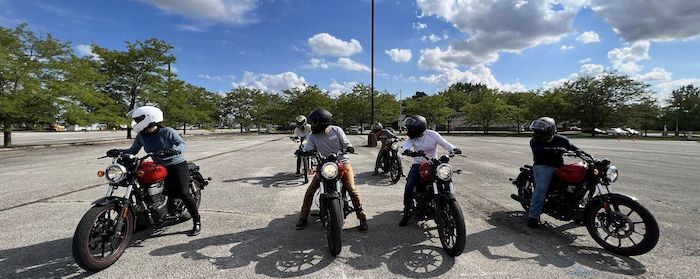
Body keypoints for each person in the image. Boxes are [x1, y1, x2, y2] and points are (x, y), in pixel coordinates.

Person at [107, 106, 202, 236]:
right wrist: (118, 151)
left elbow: (182, 144)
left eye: (138, 119)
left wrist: (175, 150)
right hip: (158, 166)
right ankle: (143, 219)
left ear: (149, 118)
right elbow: (133, 151)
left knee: (183, 192)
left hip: (176, 164)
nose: (136, 122)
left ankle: (196, 220)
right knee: (142, 189)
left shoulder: (167, 131)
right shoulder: (141, 136)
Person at [294, 108, 368, 231]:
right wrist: (303, 151)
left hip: (342, 163)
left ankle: (362, 217)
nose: (312, 126)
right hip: (323, 165)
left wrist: (349, 147)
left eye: (314, 123)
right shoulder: (313, 136)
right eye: (311, 123)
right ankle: (303, 216)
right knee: (310, 190)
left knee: (352, 190)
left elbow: (346, 143)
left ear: (323, 121)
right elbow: (308, 146)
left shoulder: (337, 130)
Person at [399, 115, 461, 226]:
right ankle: (407, 211)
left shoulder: (432, 134)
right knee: (410, 185)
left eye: (410, 128)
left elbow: (445, 144)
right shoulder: (412, 138)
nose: (409, 130)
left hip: (433, 163)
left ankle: (447, 206)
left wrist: (453, 149)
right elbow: (405, 146)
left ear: (419, 127)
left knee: (445, 180)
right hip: (418, 164)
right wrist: (408, 151)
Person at [527, 117, 581, 228]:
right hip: (542, 167)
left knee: (578, 184)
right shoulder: (534, 141)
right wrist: (557, 150)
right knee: (541, 189)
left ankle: (577, 211)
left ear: (550, 130)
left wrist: (581, 152)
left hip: (559, 167)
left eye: (540, 131)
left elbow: (574, 148)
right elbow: (540, 151)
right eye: (536, 131)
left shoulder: (561, 140)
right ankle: (533, 216)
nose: (537, 133)